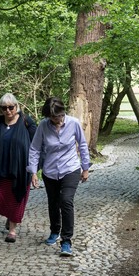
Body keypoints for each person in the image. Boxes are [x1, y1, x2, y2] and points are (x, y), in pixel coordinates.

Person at [28, 97, 90, 257]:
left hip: (70, 168)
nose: (58, 120)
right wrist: (33, 172)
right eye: (54, 117)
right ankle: (55, 231)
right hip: (50, 171)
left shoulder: (73, 123)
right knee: (53, 202)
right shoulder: (43, 126)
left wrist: (85, 167)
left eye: (60, 116)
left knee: (66, 201)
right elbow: (35, 149)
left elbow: (83, 144)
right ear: (48, 116)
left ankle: (66, 241)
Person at [0, 93, 37, 243]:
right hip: (1, 168)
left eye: (11, 107)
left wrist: (34, 170)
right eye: (4, 108)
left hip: (21, 169)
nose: (8, 110)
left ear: (16, 106)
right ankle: (10, 216)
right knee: (2, 197)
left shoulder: (26, 121)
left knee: (17, 197)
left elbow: (37, 145)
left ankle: (12, 230)